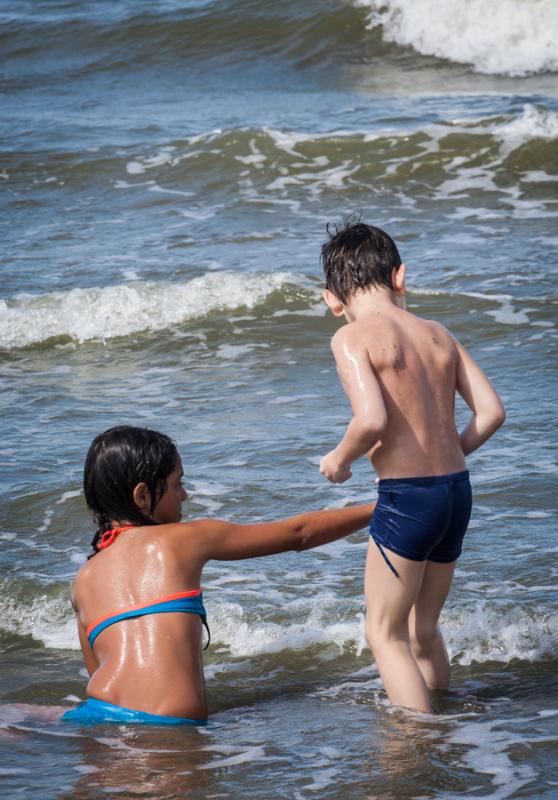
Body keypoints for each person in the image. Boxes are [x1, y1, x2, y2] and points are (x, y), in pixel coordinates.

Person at [62, 425, 374, 726]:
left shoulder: (83, 580)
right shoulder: (184, 539)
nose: (183, 495)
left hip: (98, 719)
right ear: (142, 496)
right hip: (167, 727)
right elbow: (300, 533)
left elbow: (98, 670)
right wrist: (380, 508)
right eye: (177, 483)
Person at [318, 221, 505, 713]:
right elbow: (491, 414)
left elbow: (372, 420)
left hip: (408, 499)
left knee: (384, 633)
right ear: (400, 277)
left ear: (332, 300)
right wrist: (452, 453)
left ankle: (419, 741)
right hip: (456, 492)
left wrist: (339, 459)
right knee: (423, 630)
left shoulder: (351, 338)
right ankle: (442, 714)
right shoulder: (438, 334)